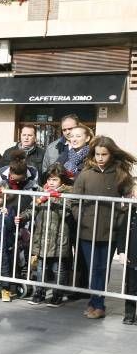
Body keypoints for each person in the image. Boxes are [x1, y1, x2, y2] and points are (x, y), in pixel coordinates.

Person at [71, 136, 136, 319]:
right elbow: (74, 201)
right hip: (87, 229)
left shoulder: (121, 174)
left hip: (110, 231)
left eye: (104, 154)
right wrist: (81, 218)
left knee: (103, 268)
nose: (100, 157)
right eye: (97, 154)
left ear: (111, 154)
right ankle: (96, 303)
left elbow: (128, 201)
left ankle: (97, 304)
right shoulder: (85, 174)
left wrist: (119, 219)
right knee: (92, 268)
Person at [15, 163, 74, 307]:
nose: (51, 183)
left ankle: (57, 294)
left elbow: (68, 210)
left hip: (58, 238)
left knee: (57, 269)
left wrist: (54, 198)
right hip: (41, 238)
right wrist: (23, 217)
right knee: (41, 268)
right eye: (49, 179)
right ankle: (39, 293)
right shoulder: (42, 193)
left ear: (62, 181)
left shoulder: (68, 193)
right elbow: (33, 209)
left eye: (55, 180)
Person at [116, 187, 137, 324]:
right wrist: (122, 252)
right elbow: (122, 234)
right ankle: (129, 314)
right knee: (131, 286)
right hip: (132, 257)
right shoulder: (130, 213)